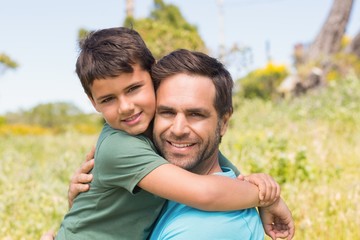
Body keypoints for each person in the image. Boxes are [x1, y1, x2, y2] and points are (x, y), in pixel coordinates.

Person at [51, 27, 284, 240]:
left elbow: (219, 167)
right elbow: (205, 193)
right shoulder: (118, 146)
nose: (126, 107)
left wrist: (257, 185)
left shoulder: (156, 129)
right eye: (108, 99)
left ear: (151, 74)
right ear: (93, 102)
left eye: (133, 89)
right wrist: (266, 197)